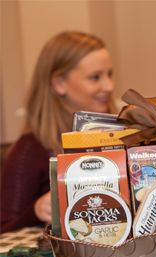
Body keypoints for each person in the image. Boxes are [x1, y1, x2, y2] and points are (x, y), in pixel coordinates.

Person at [1, 31, 116, 233]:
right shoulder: (30, 149)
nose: (109, 85)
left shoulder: (124, 136)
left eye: (110, 74)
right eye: (95, 77)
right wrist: (36, 211)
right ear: (59, 83)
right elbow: (4, 230)